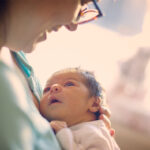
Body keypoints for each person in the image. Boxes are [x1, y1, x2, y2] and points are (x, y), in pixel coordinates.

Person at [0, 0, 113, 149]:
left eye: (69, 84)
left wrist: (86, 132)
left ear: (94, 103)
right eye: (82, 2)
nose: (73, 25)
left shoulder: (20, 58)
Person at [39, 68, 120, 150]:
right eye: (47, 89)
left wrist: (63, 134)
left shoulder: (93, 131)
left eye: (69, 84)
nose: (54, 87)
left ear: (94, 104)